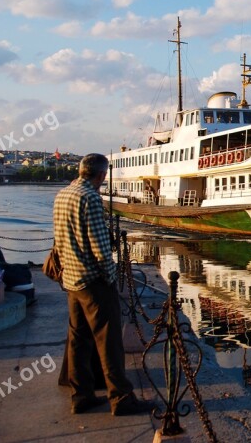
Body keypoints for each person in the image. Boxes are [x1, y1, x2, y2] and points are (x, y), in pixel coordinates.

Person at [53, 153, 155, 415]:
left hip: (71, 279)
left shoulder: (63, 194)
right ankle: (121, 398)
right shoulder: (91, 198)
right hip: (93, 281)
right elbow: (99, 248)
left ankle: (81, 395)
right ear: (101, 175)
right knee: (109, 341)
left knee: (79, 338)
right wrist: (112, 276)